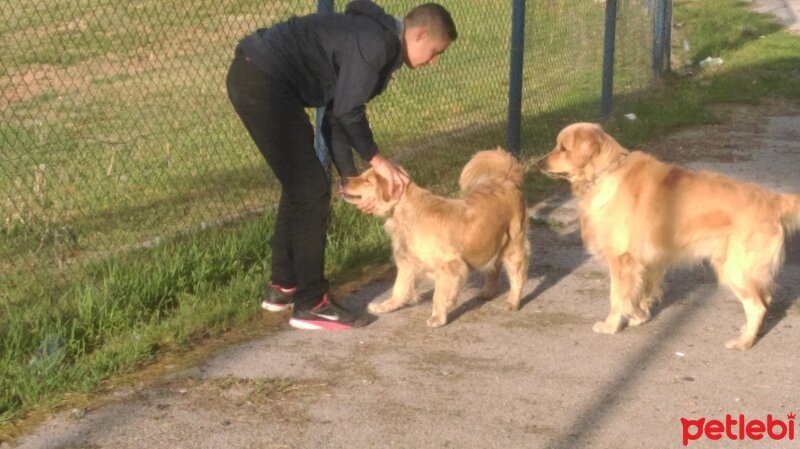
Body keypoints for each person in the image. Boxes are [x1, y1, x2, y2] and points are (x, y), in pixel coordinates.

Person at [226, 1, 458, 330]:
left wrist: (351, 180)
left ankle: (283, 287)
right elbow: (349, 111)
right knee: (309, 188)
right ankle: (311, 304)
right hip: (262, 78)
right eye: (435, 52)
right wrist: (378, 161)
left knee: (303, 184)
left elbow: (336, 119)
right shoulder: (377, 45)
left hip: (260, 75)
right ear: (419, 34)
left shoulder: (375, 42)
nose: (434, 62)